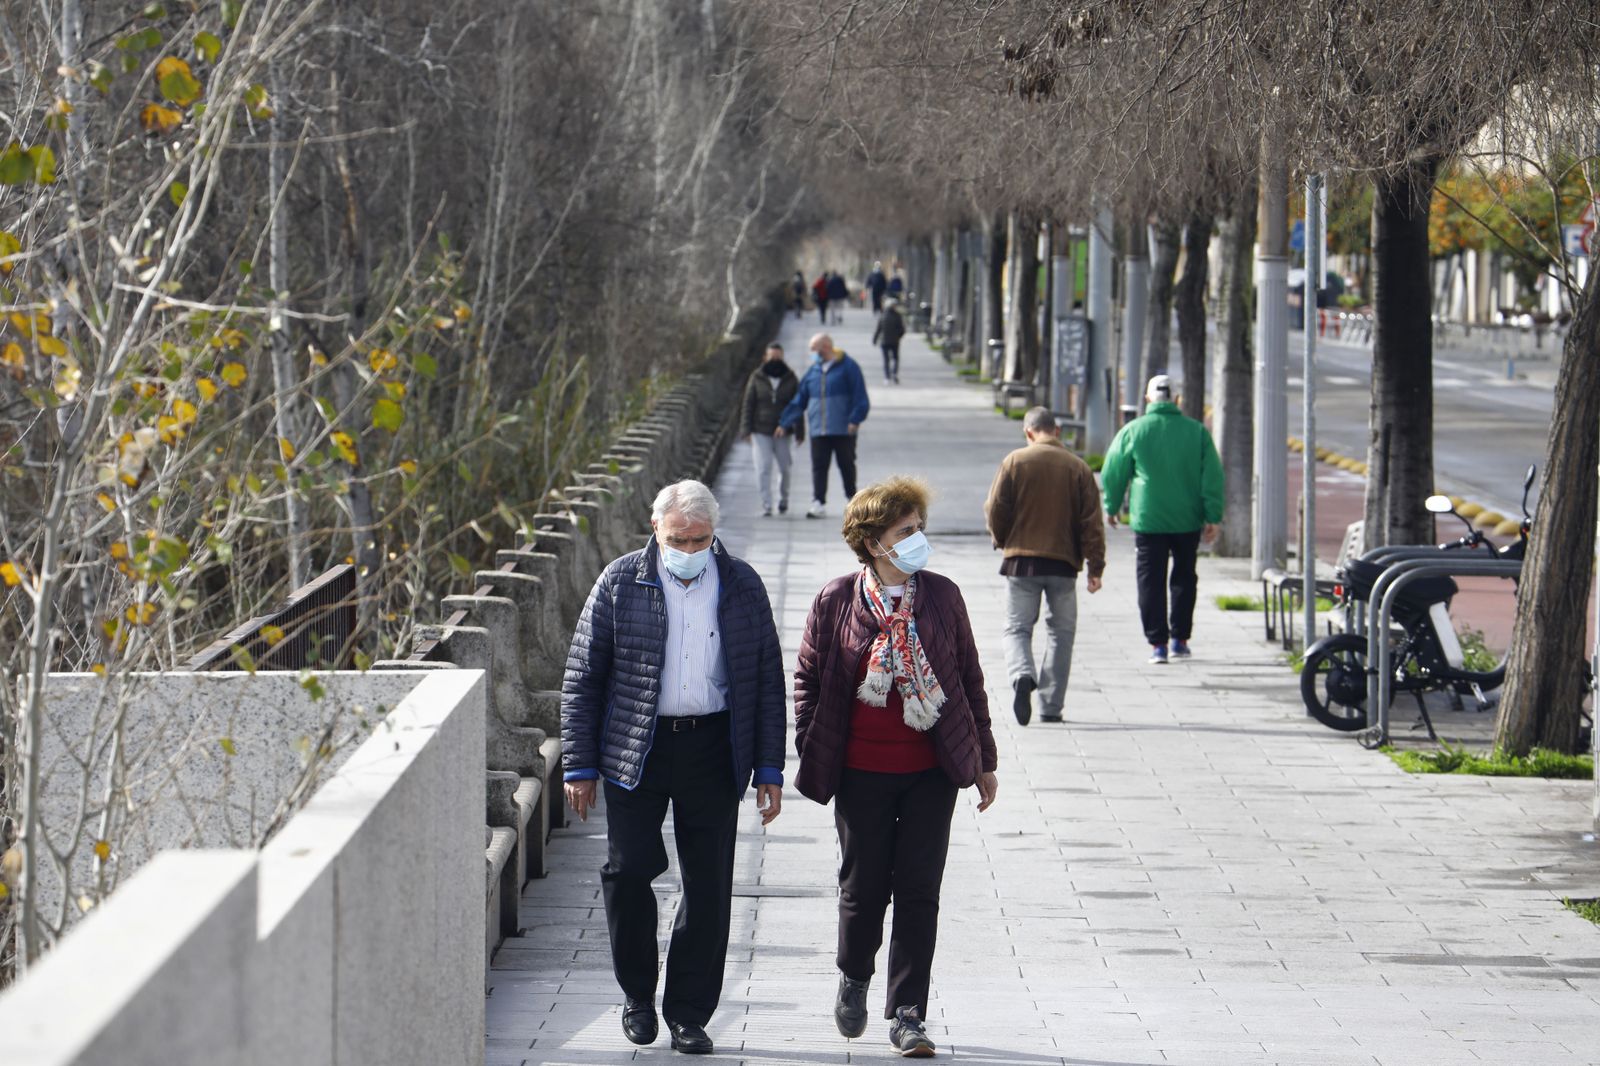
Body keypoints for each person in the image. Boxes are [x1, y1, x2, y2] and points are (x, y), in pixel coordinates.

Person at [560, 480, 786, 1056]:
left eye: (700, 539)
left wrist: (769, 769)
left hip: (714, 745)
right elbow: (584, 675)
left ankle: (688, 1012)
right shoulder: (620, 581)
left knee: (708, 885)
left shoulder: (741, 585)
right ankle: (638, 993)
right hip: (637, 745)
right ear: (655, 530)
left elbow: (765, 682)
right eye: (679, 539)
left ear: (715, 535)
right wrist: (579, 765)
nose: (689, 549)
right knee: (630, 870)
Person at [793, 476, 998, 1058]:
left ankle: (908, 1012)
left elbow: (969, 679)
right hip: (861, 771)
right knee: (862, 889)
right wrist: (814, 739)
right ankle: (855, 974)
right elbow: (808, 679)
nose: (916, 541)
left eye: (918, 530)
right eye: (905, 532)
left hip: (931, 771)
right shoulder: (836, 601)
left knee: (919, 891)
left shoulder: (943, 596)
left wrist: (983, 758)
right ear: (873, 541)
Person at [983, 407, 1106, 724]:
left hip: (1021, 562)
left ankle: (1023, 673)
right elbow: (1091, 523)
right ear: (1057, 431)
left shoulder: (1015, 462)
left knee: (1017, 628)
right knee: (1061, 633)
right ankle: (1051, 706)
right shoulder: (1078, 468)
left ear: (1028, 432)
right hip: (1063, 565)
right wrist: (1095, 568)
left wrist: (1002, 540)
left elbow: (996, 507)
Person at [1100, 374, 1224, 665]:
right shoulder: (1197, 432)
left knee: (1150, 580)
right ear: (1176, 399)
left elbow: (1113, 471)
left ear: (1147, 399)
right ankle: (1180, 639)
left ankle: (1158, 644)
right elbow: (1213, 477)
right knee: (1184, 576)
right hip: (1187, 519)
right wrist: (1212, 515)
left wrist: (1112, 505)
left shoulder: (1134, 431)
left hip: (1148, 519)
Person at [776, 332, 870, 519]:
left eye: (813, 349)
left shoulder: (848, 367)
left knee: (846, 465)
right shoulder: (813, 371)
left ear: (826, 347)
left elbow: (860, 397)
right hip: (819, 428)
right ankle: (818, 502)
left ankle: (852, 501)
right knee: (819, 466)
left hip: (843, 428)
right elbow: (799, 400)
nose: (811, 352)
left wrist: (855, 419)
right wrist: (784, 422)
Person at [740, 343, 800, 516]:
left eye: (778, 356)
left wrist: (799, 431)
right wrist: (746, 429)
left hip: (784, 430)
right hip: (761, 430)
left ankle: (784, 499)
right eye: (771, 356)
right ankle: (767, 503)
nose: (775, 359)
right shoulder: (757, 377)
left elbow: (797, 405)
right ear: (765, 357)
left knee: (785, 468)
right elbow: (748, 403)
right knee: (763, 468)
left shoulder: (790, 377)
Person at [871, 299, 905, 384]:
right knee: (895, 358)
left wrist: (875, 339)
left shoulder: (882, 316)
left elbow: (878, 329)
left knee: (886, 360)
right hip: (895, 341)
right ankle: (894, 373)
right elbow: (902, 330)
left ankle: (887, 377)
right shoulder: (898, 316)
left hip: (884, 341)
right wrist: (898, 337)